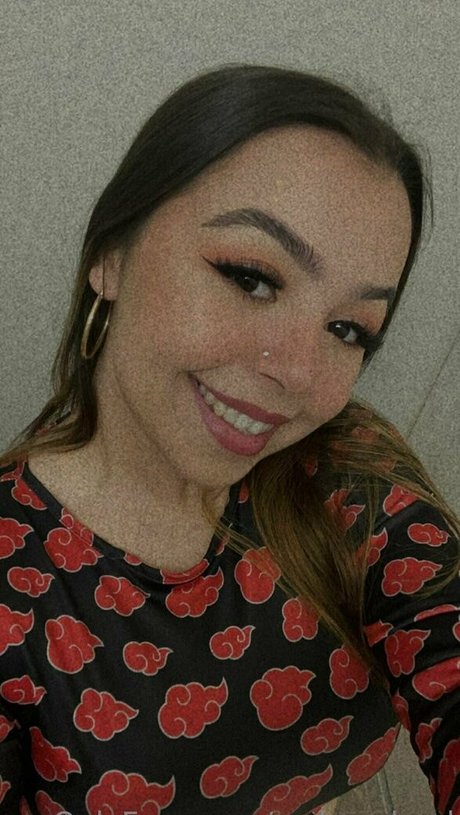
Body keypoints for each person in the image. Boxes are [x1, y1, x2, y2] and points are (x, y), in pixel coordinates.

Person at [0, 63, 458, 815]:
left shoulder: (347, 470)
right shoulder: (13, 584)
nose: (299, 375)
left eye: (348, 329)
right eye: (250, 276)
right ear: (111, 255)